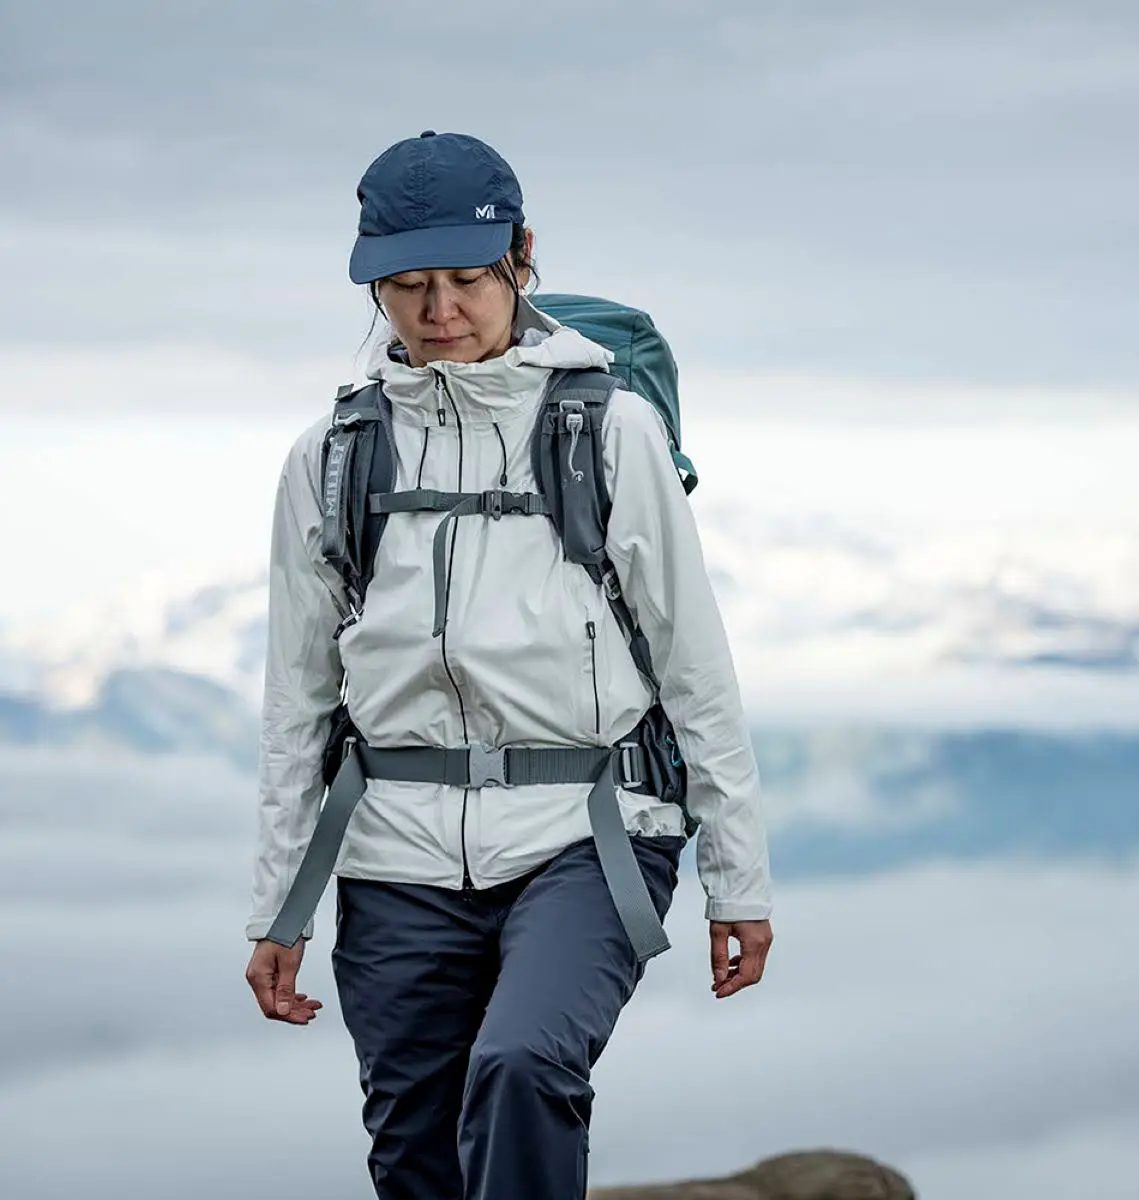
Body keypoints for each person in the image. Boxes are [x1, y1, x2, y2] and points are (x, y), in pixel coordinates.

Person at [243, 130, 774, 1200]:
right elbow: (298, 698)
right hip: (395, 849)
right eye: (407, 285)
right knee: (412, 1145)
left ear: (521, 259)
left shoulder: (607, 432)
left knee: (525, 1063)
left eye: (466, 279)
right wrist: (279, 908)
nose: (439, 311)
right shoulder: (333, 456)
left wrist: (737, 878)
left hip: (590, 830)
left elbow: (694, 666)